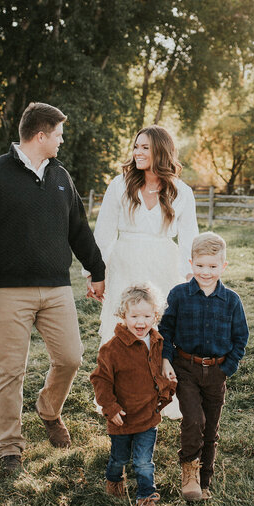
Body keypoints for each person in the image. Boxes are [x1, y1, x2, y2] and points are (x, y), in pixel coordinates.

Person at [0, 101, 107, 474]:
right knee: (11, 369)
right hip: (9, 291)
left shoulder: (60, 176)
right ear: (40, 135)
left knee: (71, 358)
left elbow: (78, 228)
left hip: (56, 288)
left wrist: (96, 268)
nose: (61, 140)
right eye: (58, 134)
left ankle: (48, 409)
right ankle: (10, 447)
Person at [87, 125, 198, 418]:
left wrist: (191, 281)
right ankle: (118, 400)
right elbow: (103, 234)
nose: (137, 152)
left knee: (159, 329)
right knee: (122, 329)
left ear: (161, 151)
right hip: (124, 263)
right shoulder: (119, 185)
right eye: (136, 146)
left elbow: (189, 240)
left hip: (163, 264)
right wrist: (95, 274)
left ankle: (159, 396)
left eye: (145, 147)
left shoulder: (181, 192)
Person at [159, 232, 249, 502]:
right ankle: (189, 472)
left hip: (216, 372)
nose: (206, 272)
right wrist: (165, 359)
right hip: (185, 368)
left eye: (212, 266)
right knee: (193, 420)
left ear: (223, 266)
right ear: (191, 263)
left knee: (210, 427)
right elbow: (166, 329)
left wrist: (227, 368)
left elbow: (240, 337)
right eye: (200, 266)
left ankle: (205, 478)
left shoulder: (231, 300)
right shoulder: (179, 295)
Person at [89, 283, 176, 506]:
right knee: (119, 458)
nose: (141, 322)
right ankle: (114, 479)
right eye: (134, 316)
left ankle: (147, 500)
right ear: (123, 316)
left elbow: (158, 372)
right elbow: (100, 379)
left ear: (155, 316)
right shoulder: (112, 350)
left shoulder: (157, 342)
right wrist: (110, 407)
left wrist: (167, 387)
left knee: (143, 462)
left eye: (147, 316)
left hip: (147, 417)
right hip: (122, 418)